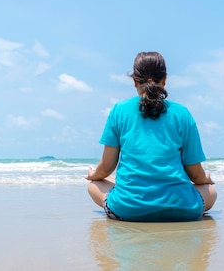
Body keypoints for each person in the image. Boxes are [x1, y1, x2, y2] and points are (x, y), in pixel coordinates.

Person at [86, 52, 217, 222]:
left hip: (128, 210)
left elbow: (107, 167)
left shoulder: (119, 110)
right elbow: (195, 175)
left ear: (134, 80)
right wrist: (205, 178)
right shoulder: (182, 113)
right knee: (211, 192)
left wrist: (94, 175)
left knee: (94, 185)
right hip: (180, 208)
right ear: (165, 79)